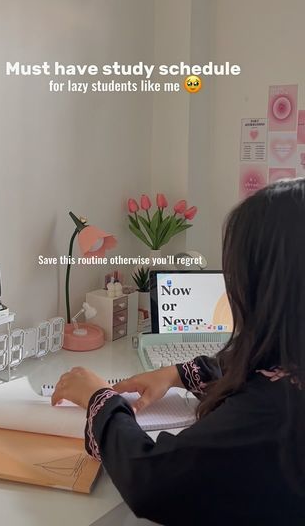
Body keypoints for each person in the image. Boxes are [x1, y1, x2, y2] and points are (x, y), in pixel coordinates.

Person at [52, 179, 305, 525]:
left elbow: (152, 480)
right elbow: (270, 369)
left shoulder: (275, 415)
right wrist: (178, 373)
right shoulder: (289, 372)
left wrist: (101, 400)